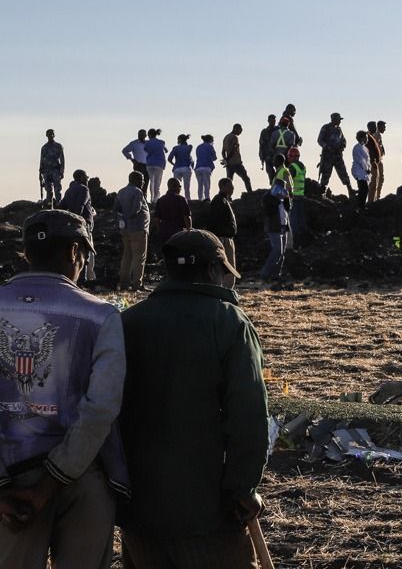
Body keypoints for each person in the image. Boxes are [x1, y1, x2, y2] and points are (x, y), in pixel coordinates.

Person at [0, 210, 128, 567]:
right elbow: (101, 409)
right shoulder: (100, 316)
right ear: (74, 251)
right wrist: (50, 484)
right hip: (83, 478)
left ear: (26, 253)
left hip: (7, 480)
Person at [117, 228, 265, 566]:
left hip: (139, 509)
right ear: (213, 270)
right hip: (207, 512)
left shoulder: (128, 322)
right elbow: (249, 417)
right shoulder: (229, 323)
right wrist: (244, 489)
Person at [112, 172, 150, 291]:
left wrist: (122, 223)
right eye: (142, 179)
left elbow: (116, 210)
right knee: (139, 257)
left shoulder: (121, 192)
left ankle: (124, 283)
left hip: (125, 229)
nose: (143, 182)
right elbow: (136, 209)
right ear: (136, 179)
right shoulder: (138, 192)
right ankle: (137, 285)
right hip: (138, 228)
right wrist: (130, 218)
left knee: (127, 256)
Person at [59, 170, 97, 283]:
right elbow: (81, 205)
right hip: (82, 224)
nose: (87, 179)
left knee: (75, 252)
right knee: (86, 252)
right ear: (81, 177)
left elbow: (62, 206)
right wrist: (78, 219)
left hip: (72, 225)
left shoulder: (69, 190)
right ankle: (83, 280)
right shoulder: (84, 189)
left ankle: (76, 279)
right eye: (86, 177)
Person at [206, 178, 240, 289]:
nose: (232, 189)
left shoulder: (223, 200)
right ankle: (226, 289)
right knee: (228, 266)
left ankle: (226, 289)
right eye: (230, 187)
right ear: (223, 187)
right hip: (223, 238)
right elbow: (215, 220)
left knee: (228, 266)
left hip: (225, 237)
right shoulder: (219, 201)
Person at [260, 179, 291, 282]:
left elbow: (287, 209)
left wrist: (286, 198)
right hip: (274, 226)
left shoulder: (283, 197)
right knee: (277, 250)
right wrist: (277, 199)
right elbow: (268, 211)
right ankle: (265, 273)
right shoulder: (267, 197)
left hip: (283, 225)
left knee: (282, 253)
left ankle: (276, 274)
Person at [317, 113, 351, 194]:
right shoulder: (326, 127)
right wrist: (327, 147)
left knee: (343, 173)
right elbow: (320, 140)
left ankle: (350, 191)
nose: (340, 122)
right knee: (326, 174)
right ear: (334, 120)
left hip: (338, 156)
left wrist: (342, 146)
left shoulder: (339, 129)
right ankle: (322, 191)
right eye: (339, 120)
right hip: (327, 156)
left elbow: (344, 140)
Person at [154, 178, 192, 249]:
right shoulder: (181, 199)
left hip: (164, 233)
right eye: (180, 186)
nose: (180, 189)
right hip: (179, 233)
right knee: (179, 253)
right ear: (175, 186)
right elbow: (187, 217)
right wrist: (189, 230)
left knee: (166, 253)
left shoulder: (161, 200)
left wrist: (159, 231)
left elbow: (156, 219)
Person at [285, 146, 309, 247]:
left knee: (293, 219)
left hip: (293, 196)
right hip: (301, 195)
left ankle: (294, 240)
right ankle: (303, 239)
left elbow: (288, 181)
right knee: (300, 218)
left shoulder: (292, 167)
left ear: (290, 156)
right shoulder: (302, 166)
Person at [220, 124, 253, 193]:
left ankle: (225, 195)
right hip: (236, 163)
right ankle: (250, 193)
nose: (240, 132)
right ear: (236, 129)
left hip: (229, 164)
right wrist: (228, 159)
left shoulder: (226, 137)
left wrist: (226, 160)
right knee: (246, 178)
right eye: (240, 130)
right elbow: (233, 149)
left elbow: (223, 151)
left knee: (228, 181)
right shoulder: (234, 137)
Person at [38, 129, 66, 207]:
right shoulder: (44, 147)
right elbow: (41, 160)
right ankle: (50, 205)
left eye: (52, 134)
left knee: (57, 190)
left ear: (54, 135)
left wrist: (62, 171)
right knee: (48, 190)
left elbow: (62, 159)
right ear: (46, 135)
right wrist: (40, 172)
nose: (51, 135)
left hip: (55, 170)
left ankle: (58, 205)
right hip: (46, 171)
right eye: (49, 134)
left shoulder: (58, 146)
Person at [167, 135, 195, 200]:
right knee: (186, 186)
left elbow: (169, 159)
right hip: (186, 168)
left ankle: (175, 199)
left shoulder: (175, 148)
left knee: (175, 185)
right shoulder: (189, 147)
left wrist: (174, 164)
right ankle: (188, 199)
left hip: (177, 168)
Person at [144, 129, 168, 202]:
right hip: (159, 163)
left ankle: (152, 198)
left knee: (152, 181)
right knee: (157, 182)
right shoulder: (162, 142)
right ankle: (156, 198)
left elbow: (146, 150)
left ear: (149, 135)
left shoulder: (147, 143)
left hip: (150, 163)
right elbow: (165, 150)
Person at [366, 120, 388, 202]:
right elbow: (372, 149)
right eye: (383, 127)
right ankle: (372, 200)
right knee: (374, 181)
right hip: (374, 161)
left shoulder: (377, 135)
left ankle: (376, 198)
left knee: (379, 180)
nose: (384, 129)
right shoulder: (373, 135)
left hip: (378, 160)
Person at [351, 130, 372, 208]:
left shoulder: (365, 148)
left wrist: (368, 168)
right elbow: (361, 160)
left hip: (363, 172)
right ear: (361, 138)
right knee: (364, 189)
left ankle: (360, 204)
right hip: (359, 171)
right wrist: (366, 169)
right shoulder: (357, 148)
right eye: (366, 138)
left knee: (363, 189)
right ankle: (360, 206)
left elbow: (367, 160)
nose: (367, 139)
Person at [195, 134, 218, 201]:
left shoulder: (198, 147)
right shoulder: (210, 146)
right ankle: (207, 198)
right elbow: (214, 157)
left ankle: (200, 199)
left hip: (198, 167)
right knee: (207, 185)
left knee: (200, 185)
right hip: (206, 167)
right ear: (210, 140)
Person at [258, 115, 278, 182]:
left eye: (274, 120)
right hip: (268, 155)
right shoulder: (264, 132)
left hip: (277, 154)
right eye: (271, 120)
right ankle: (272, 184)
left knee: (279, 171)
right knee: (270, 172)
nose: (273, 122)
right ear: (268, 121)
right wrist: (261, 154)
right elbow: (261, 144)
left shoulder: (278, 130)